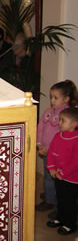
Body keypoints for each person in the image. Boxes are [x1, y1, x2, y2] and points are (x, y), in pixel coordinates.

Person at [36, 80, 77, 213]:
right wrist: (40, 144)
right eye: (51, 97)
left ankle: (57, 205)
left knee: (58, 180)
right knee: (48, 177)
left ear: (66, 99)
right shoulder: (49, 111)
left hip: (58, 155)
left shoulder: (66, 116)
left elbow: (62, 137)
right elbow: (41, 127)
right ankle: (50, 198)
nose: (52, 100)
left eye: (56, 98)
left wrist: (50, 150)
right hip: (46, 151)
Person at [46, 107, 78, 236]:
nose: (59, 123)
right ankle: (60, 218)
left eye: (63, 121)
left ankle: (70, 224)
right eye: (60, 120)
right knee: (60, 199)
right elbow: (51, 153)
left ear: (75, 123)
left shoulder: (76, 139)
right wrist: (52, 168)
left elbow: (75, 162)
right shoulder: (57, 136)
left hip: (72, 179)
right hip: (58, 176)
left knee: (69, 201)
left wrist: (63, 173)